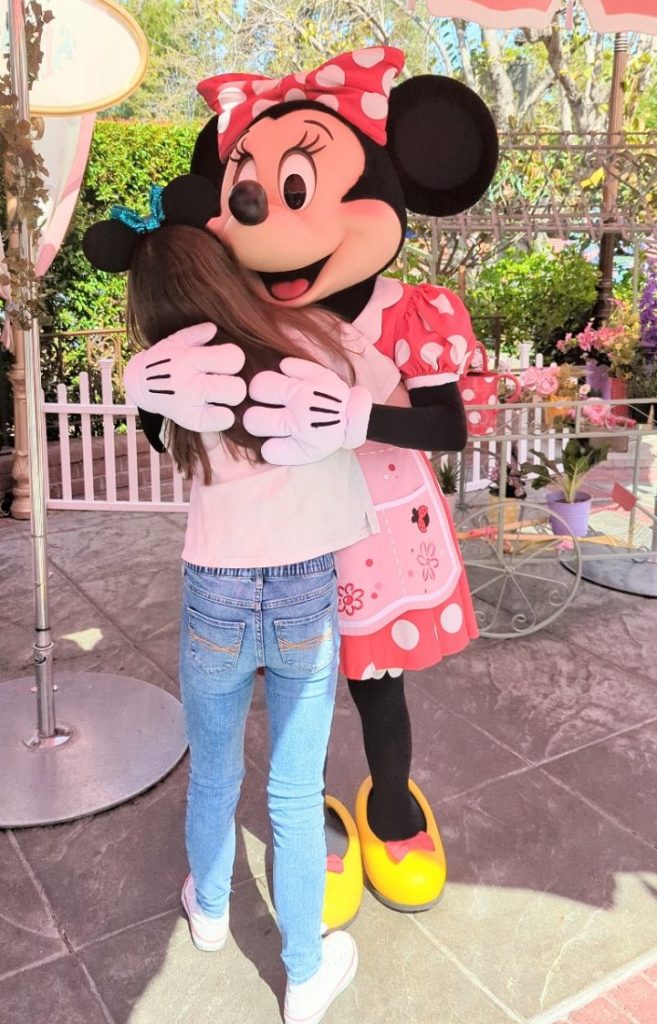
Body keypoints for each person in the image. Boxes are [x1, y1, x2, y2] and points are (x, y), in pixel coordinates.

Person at [124, 45, 499, 924]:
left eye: (299, 189)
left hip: (379, 535)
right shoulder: (237, 309)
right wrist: (147, 395)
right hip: (277, 542)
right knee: (296, 697)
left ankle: (392, 804)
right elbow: (193, 421)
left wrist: (357, 418)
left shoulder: (412, 312)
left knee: (376, 684)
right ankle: (313, 821)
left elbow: (448, 426)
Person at [82, 173, 381, 1024]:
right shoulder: (315, 335)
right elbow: (394, 397)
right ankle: (302, 973)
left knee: (214, 768)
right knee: (291, 791)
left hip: (215, 584)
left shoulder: (171, 378)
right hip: (302, 590)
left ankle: (209, 912)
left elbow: (156, 418)